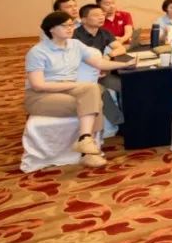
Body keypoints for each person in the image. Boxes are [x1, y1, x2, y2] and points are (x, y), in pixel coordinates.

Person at [26, 11, 136, 167]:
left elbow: (99, 63)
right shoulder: (38, 52)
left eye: (71, 25)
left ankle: (85, 140)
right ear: (51, 29)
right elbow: (38, 85)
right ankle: (89, 152)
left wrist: (124, 65)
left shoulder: (75, 45)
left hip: (68, 89)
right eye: (64, 25)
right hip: (42, 96)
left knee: (93, 90)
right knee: (92, 103)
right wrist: (74, 85)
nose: (70, 28)